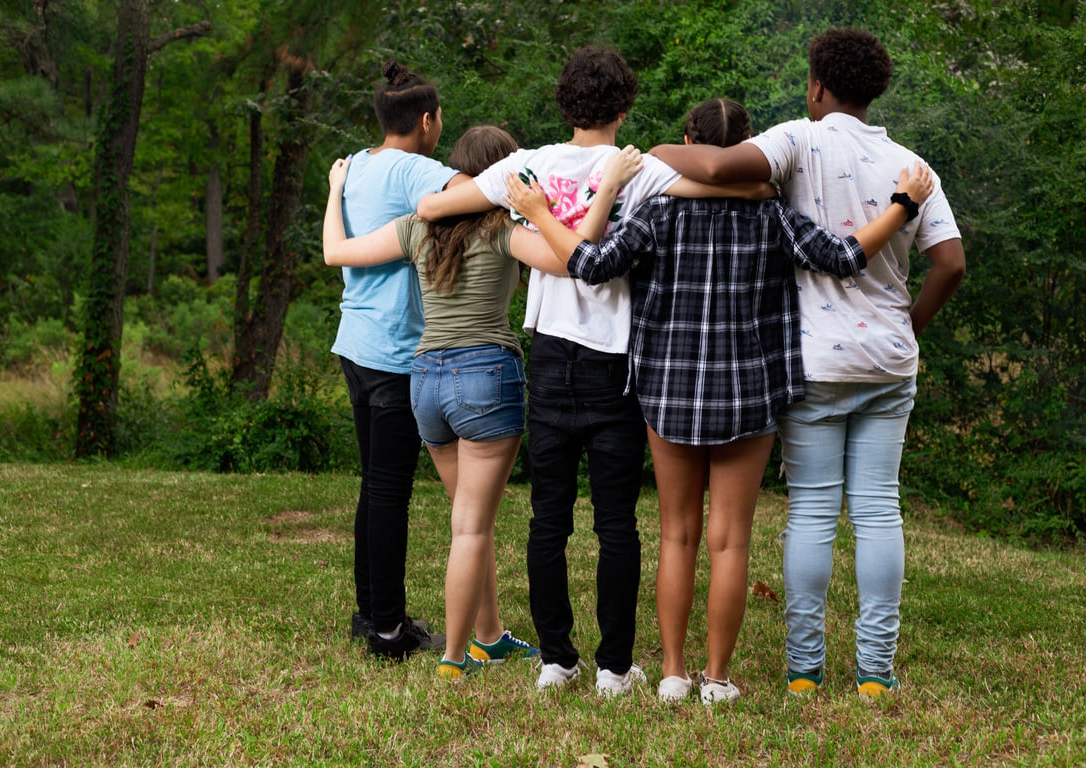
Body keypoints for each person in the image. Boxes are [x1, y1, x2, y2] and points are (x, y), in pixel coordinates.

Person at [509, 96, 933, 704]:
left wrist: (534, 213)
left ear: (689, 139)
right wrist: (902, 205)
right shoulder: (775, 215)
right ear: (746, 145)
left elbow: (591, 265)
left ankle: (673, 675)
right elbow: (843, 258)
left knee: (676, 536)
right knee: (730, 540)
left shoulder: (656, 213)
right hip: (750, 394)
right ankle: (717, 678)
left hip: (667, 390)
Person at [416, 48, 767, 696]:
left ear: (562, 105)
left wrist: (508, 202)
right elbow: (726, 186)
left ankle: (556, 659)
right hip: (613, 358)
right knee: (616, 522)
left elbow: (436, 209)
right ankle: (613, 667)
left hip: (548, 353)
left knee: (548, 515)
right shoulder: (638, 168)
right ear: (625, 107)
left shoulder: (528, 167)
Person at [649, 29, 966, 698]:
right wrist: (908, 325)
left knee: (814, 513)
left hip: (816, 360)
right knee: (879, 511)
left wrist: (652, 152)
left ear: (818, 86)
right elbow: (951, 263)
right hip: (888, 361)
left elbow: (712, 170)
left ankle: (803, 671)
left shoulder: (796, 138)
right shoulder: (913, 165)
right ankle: (875, 673)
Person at [324, 127, 644, 679]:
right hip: (483, 378)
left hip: (423, 380)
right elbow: (574, 260)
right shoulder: (504, 227)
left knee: (470, 521)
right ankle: (454, 658)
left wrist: (336, 191)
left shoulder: (416, 227)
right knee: (470, 526)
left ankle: (489, 636)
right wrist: (602, 190)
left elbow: (336, 253)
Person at [332, 61, 467, 661]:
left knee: (373, 484)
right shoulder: (417, 168)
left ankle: (371, 613)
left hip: (354, 344)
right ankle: (389, 630)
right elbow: (480, 189)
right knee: (389, 490)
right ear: (427, 120)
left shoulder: (356, 166)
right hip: (393, 350)